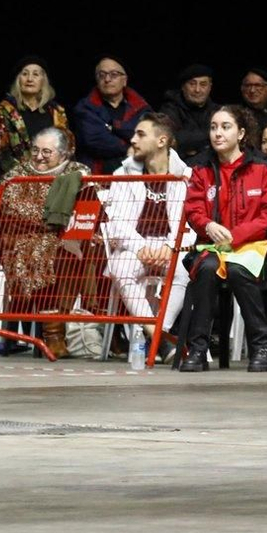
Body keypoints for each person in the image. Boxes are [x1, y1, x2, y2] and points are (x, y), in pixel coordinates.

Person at [178, 105, 267, 372]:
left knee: (238, 270)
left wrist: (236, 235)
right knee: (206, 269)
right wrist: (207, 226)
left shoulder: (264, 169)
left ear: (241, 133)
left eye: (225, 127)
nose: (217, 133)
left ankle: (262, 347)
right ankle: (198, 350)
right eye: (213, 127)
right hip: (213, 246)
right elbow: (193, 210)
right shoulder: (200, 169)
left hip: (255, 246)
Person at [0, 128, 90, 359]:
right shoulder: (15, 177)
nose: (38, 157)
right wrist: (53, 223)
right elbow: (13, 215)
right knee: (42, 255)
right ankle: (54, 334)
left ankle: (95, 331)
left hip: (68, 239)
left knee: (93, 252)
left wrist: (67, 232)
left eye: (47, 152)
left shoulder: (79, 174)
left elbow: (89, 210)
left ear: (64, 154)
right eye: (35, 150)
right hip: (20, 243)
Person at [101, 114, 189, 359]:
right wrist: (141, 247)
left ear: (162, 141)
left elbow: (192, 226)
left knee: (184, 270)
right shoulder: (123, 173)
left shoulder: (187, 175)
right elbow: (116, 222)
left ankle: (158, 334)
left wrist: (171, 247)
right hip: (135, 246)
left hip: (171, 246)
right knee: (120, 267)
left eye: (141, 134)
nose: (132, 140)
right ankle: (160, 338)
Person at [70, 55, 150, 174]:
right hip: (98, 176)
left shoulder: (141, 107)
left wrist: (114, 128)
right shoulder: (85, 108)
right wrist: (130, 147)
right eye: (102, 75)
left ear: (124, 80)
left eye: (114, 74)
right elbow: (94, 140)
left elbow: (150, 136)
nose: (107, 79)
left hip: (138, 171)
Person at [0, 56, 72, 174]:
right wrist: (27, 175)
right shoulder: (5, 110)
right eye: (25, 74)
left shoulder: (57, 111)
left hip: (54, 175)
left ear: (43, 80)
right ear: (18, 80)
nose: (29, 79)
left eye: (35, 74)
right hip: (19, 178)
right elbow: (2, 153)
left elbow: (66, 147)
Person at [158, 64, 218, 166]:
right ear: (183, 87)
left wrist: (192, 146)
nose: (197, 90)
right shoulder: (169, 109)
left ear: (210, 87)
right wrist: (209, 139)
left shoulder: (218, 111)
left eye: (203, 84)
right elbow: (172, 139)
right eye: (192, 84)